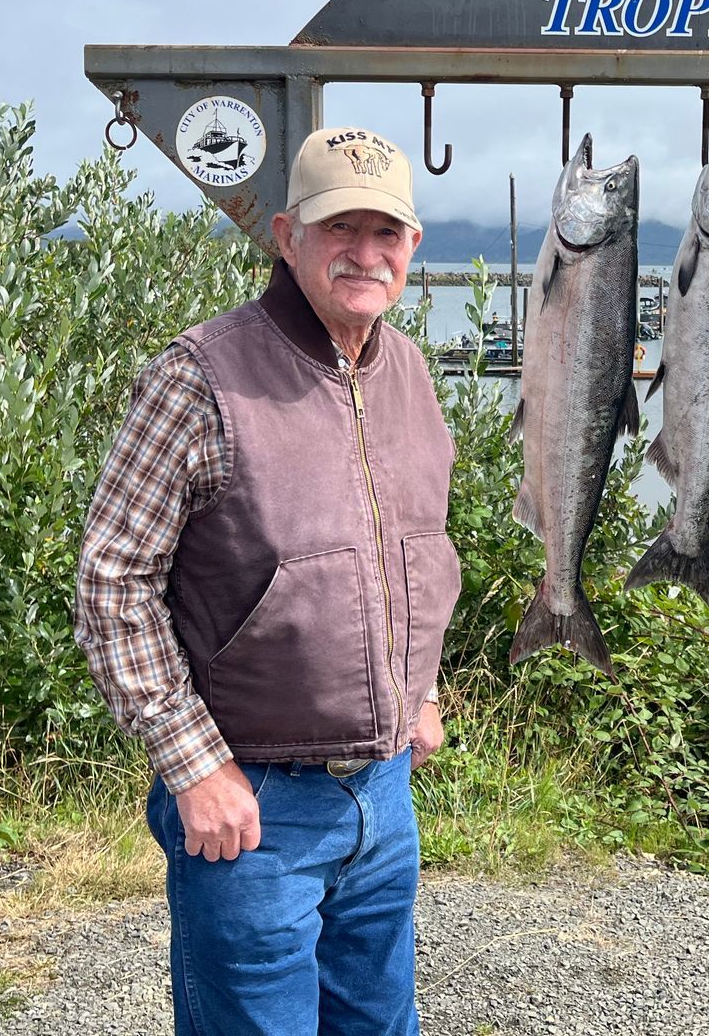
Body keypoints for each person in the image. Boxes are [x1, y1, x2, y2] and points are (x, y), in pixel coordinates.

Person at [75, 126, 461, 1036]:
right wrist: (193, 766)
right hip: (250, 805)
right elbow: (111, 582)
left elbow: (414, 550)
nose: (364, 254)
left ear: (412, 247)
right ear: (285, 237)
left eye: (386, 233)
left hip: (382, 791)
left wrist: (422, 690)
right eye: (339, 230)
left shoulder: (407, 369)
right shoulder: (200, 375)